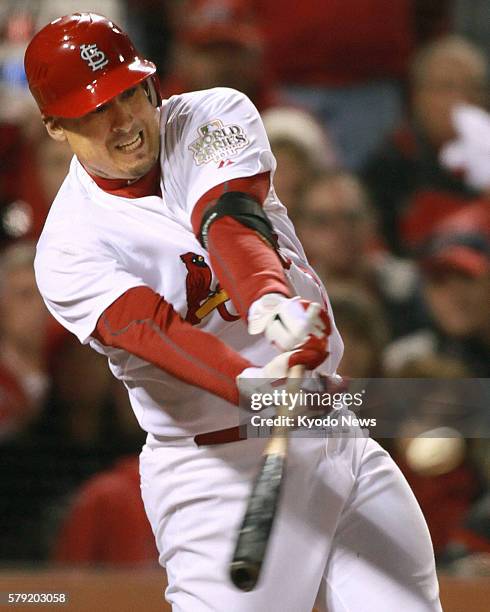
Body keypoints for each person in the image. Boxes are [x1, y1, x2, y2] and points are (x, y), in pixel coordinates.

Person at [24, 13, 442, 611]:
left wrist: (269, 300)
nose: (122, 124)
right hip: (218, 473)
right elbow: (152, 331)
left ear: (150, 84)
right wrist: (249, 386)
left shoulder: (210, 115)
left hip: (331, 426)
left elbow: (227, 217)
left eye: (127, 95)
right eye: (93, 111)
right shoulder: (67, 247)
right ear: (55, 126)